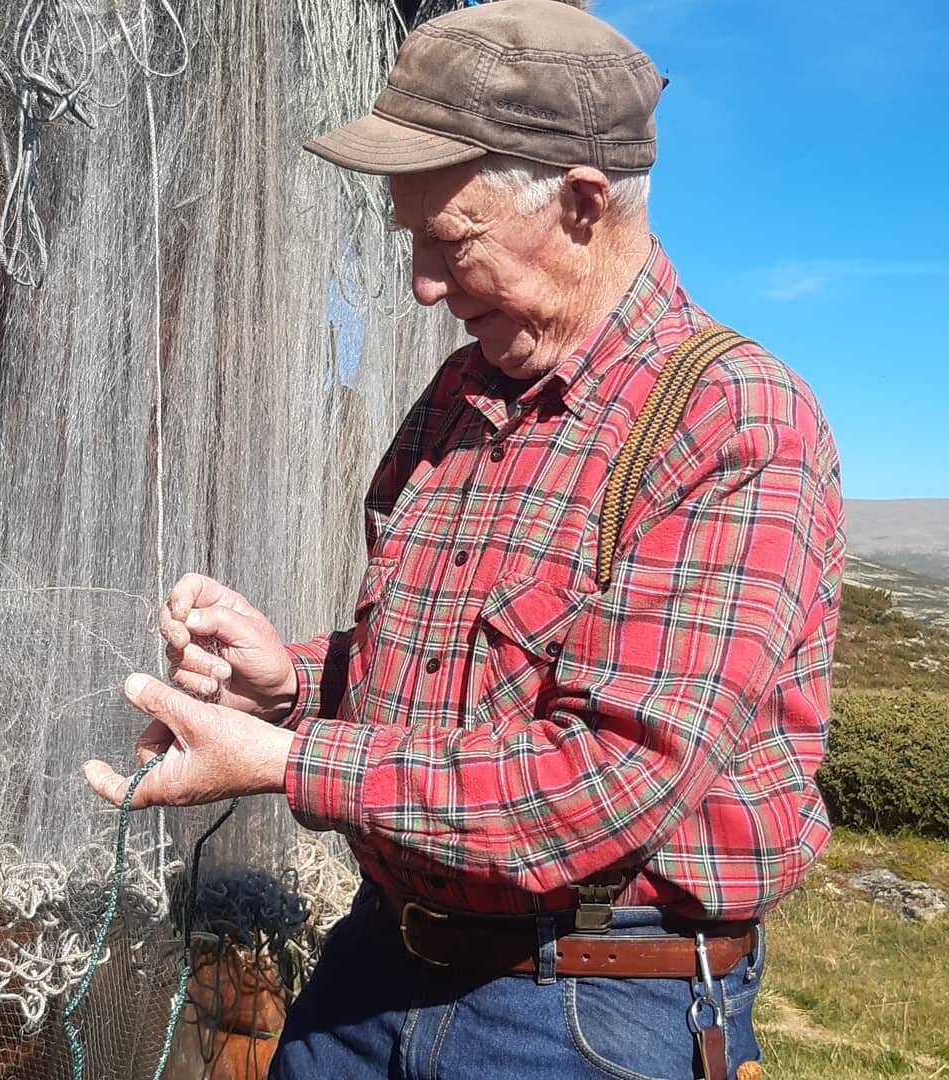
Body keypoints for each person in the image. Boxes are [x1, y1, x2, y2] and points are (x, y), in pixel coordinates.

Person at [84, 2, 845, 1077]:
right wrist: (290, 681)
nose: (424, 287)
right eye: (412, 239)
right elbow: (454, 682)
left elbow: (605, 783)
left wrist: (284, 760)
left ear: (584, 205)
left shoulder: (733, 420)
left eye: (451, 240)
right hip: (374, 971)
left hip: (589, 1009)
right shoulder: (462, 395)